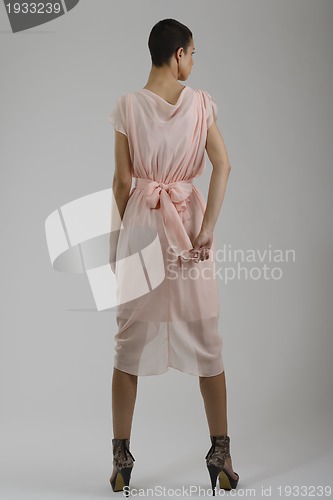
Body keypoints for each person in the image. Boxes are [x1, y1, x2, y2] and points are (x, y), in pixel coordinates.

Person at [108, 18, 239, 496]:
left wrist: (117, 241)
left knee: (128, 340)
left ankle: (121, 460)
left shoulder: (127, 106)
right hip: (186, 226)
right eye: (193, 52)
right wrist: (207, 228)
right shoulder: (201, 105)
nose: (194, 60)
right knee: (207, 336)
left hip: (142, 225)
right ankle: (220, 455)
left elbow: (123, 183)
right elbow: (224, 164)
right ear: (179, 54)